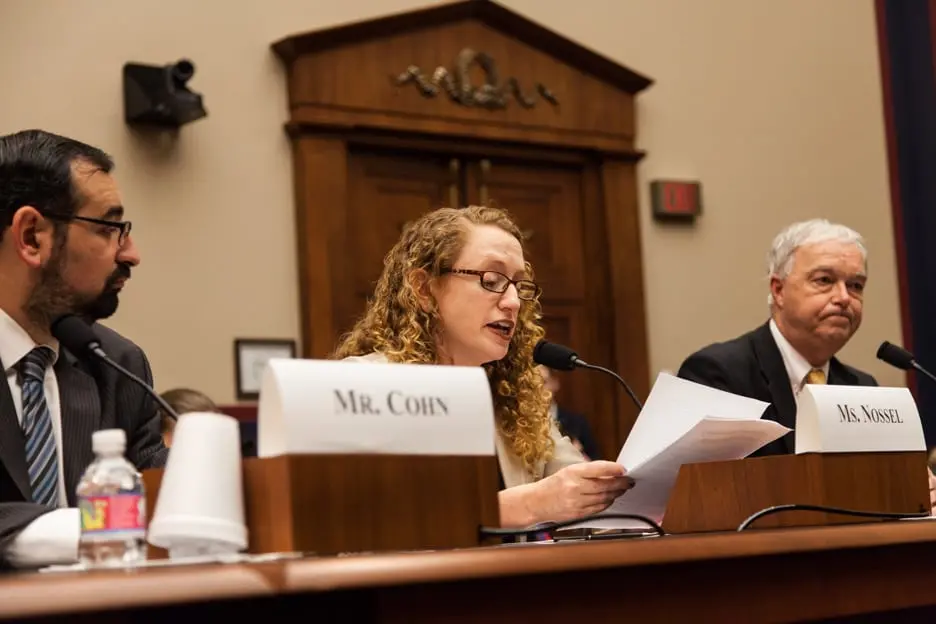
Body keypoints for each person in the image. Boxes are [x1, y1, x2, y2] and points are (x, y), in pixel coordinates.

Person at [334, 205, 633, 527]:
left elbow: (582, 492)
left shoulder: (513, 397)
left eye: (520, 285)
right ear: (424, 289)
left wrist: (615, 483)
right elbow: (367, 521)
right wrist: (529, 504)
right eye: (492, 280)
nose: (514, 302)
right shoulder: (362, 385)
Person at [677, 218, 936, 508]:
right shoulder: (718, 374)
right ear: (778, 290)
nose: (843, 298)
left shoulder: (863, 387)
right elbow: (709, 495)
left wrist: (910, 485)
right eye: (824, 280)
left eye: (855, 285)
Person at [0, 129, 168, 568]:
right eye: (111, 228)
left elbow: (164, 498)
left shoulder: (115, 365)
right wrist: (86, 531)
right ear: (32, 236)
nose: (131, 253)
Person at [538, 365, 602, 460]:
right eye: (532, 384)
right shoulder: (521, 424)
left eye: (543, 382)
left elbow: (595, 462)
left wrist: (578, 453)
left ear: (555, 383)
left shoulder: (577, 423)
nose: (538, 389)